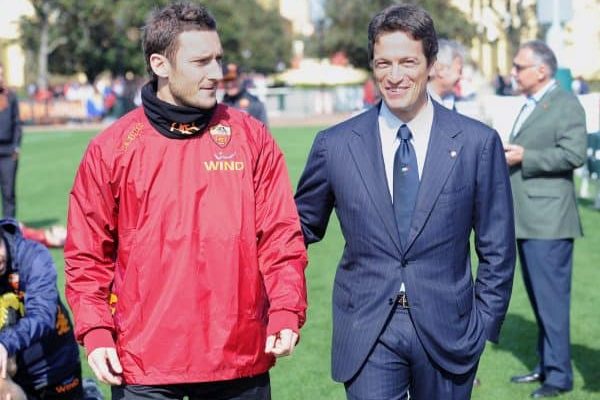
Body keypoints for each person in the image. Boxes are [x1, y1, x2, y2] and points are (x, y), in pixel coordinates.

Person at [64, 3, 307, 399]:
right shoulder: (112, 148)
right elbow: (88, 254)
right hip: (144, 363)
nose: (216, 73)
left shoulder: (251, 137)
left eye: (218, 59)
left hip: (238, 355)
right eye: (200, 62)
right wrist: (95, 329)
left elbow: (281, 238)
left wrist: (285, 309)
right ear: (160, 64)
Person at [295, 4, 515, 399]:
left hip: (450, 329)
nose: (394, 76)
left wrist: (483, 323)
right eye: (384, 63)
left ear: (430, 63)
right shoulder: (335, 145)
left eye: (407, 62)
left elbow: (497, 247)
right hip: (367, 328)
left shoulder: (477, 144)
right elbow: (297, 229)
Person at [504, 40, 587, 399]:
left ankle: (559, 375)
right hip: (529, 217)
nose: (513, 72)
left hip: (549, 220)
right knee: (540, 299)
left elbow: (574, 153)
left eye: (519, 66)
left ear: (541, 70)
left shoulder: (565, 103)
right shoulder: (534, 103)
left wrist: (525, 156)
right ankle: (546, 363)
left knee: (551, 302)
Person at [0, 218, 84, 400]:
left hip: (54, 364)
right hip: (13, 371)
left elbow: (42, 315)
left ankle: (92, 394)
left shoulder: (33, 256)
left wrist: (5, 342)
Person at [0, 62, 22, 219]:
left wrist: (16, 147)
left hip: (8, 153)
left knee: (8, 194)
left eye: (1, 74)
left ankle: (8, 233)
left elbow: (17, 123)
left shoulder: (11, 97)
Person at [427, 38, 465, 110]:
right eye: (459, 71)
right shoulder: (418, 105)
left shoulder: (455, 103)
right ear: (441, 69)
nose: (462, 77)